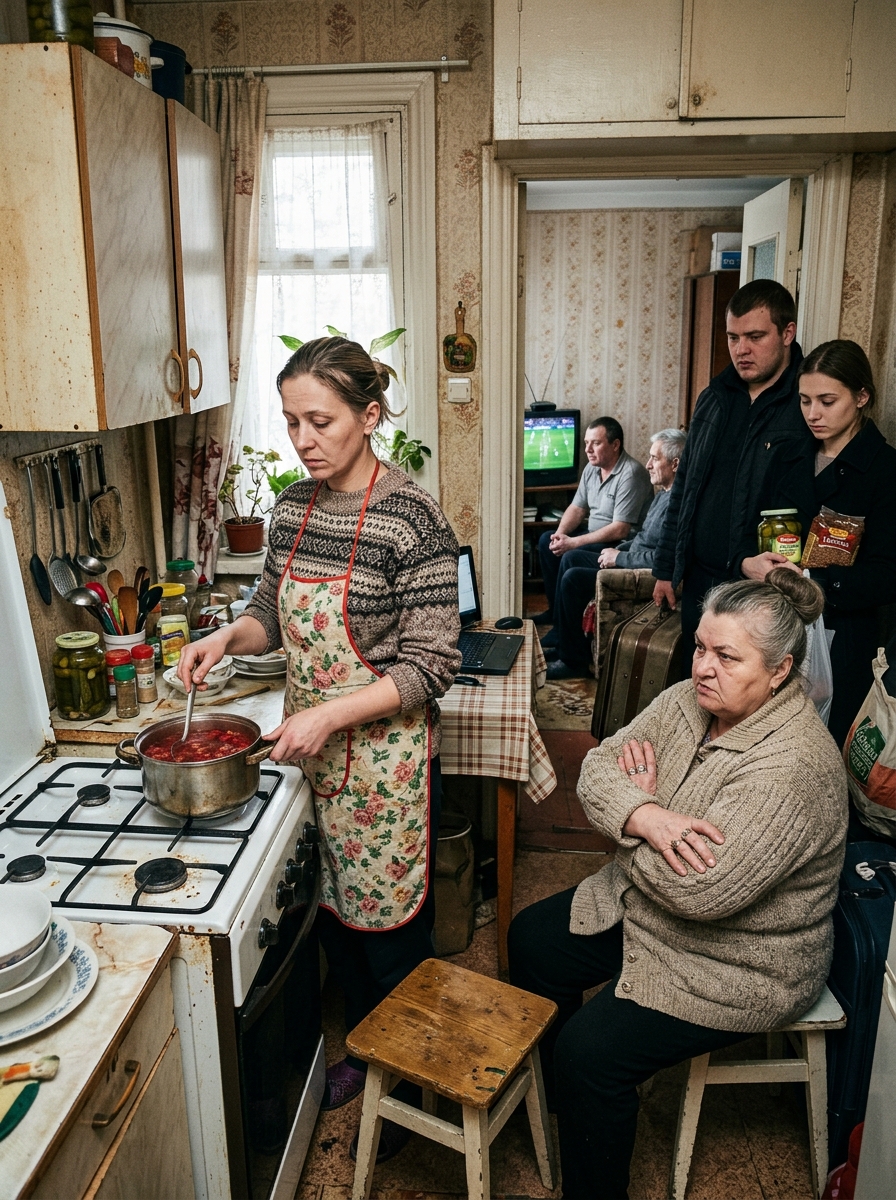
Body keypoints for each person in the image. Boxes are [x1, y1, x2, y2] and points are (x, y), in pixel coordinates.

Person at [177, 336, 462, 1160]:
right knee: (329, 918)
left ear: (369, 416)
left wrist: (332, 716)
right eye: (291, 421)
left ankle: (410, 1091)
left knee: (391, 941)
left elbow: (432, 665)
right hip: (311, 757)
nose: (303, 439)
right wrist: (226, 637)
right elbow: (270, 610)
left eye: (321, 421)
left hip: (384, 767)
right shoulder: (294, 506)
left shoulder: (413, 518)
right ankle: (365, 1056)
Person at [510, 570, 847, 1200]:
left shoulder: (794, 766)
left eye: (727, 657)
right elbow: (598, 766)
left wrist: (629, 815)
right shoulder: (690, 701)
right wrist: (647, 817)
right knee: (532, 938)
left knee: (590, 1053)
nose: (703, 668)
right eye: (699, 647)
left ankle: (588, 1139)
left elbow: (702, 892)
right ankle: (568, 1106)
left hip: (741, 961)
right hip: (653, 908)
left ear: (780, 672)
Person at [652, 279, 811, 674]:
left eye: (755, 337)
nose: (741, 349)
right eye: (733, 337)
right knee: (694, 686)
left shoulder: (805, 403)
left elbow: (808, 501)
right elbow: (684, 488)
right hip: (699, 580)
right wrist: (666, 569)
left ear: (787, 333)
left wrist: (751, 563)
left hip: (758, 587)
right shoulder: (714, 397)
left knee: (743, 693)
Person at [748, 340, 896, 749]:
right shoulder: (787, 456)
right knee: (767, 741)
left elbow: (888, 574)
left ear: (862, 397)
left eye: (827, 401)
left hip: (844, 635)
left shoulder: (886, 469)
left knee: (825, 749)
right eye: (805, 401)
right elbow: (754, 526)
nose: (813, 414)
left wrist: (812, 578)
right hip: (775, 623)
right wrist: (749, 562)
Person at [543, 428, 685, 680]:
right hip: (629, 556)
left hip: (640, 570)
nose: (648, 464)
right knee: (571, 557)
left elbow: (663, 559)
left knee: (573, 578)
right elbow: (642, 539)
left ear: (675, 464)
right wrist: (617, 551)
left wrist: (618, 557)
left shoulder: (678, 504)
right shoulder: (663, 494)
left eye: (654, 458)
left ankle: (573, 661)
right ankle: (564, 639)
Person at [535, 418, 653, 627]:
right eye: (586, 443)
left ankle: (562, 627)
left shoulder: (631, 473)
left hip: (619, 543)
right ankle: (555, 613)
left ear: (615, 445)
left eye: (595, 443)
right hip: (595, 534)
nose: (588, 450)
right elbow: (577, 508)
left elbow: (620, 529)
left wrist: (573, 543)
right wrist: (560, 535)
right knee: (547, 541)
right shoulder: (591, 468)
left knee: (570, 554)